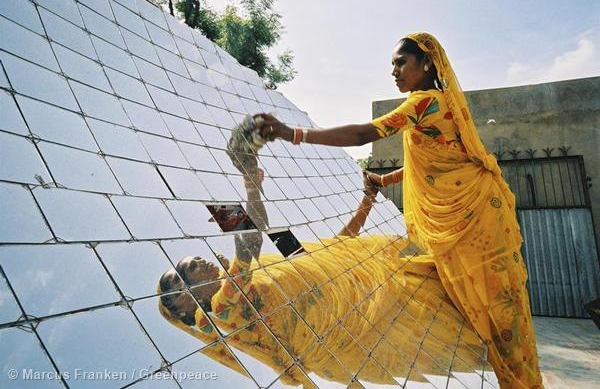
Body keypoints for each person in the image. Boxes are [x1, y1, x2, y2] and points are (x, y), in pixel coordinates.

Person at [253, 32, 543, 388]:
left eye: (401, 63)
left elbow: (364, 134)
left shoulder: (424, 102)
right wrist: (386, 179)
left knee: (497, 313)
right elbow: (440, 160)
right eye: (392, 64)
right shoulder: (439, 106)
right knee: (490, 310)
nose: (394, 71)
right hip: (476, 213)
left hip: (474, 220)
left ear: (426, 64)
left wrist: (291, 132)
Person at [157, 123, 488, 387]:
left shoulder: (269, 272)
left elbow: (337, 250)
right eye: (188, 271)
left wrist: (367, 201)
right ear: (189, 305)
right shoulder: (225, 311)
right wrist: (249, 181)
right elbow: (248, 243)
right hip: (356, 333)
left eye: (192, 260)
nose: (198, 262)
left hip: (365, 307)